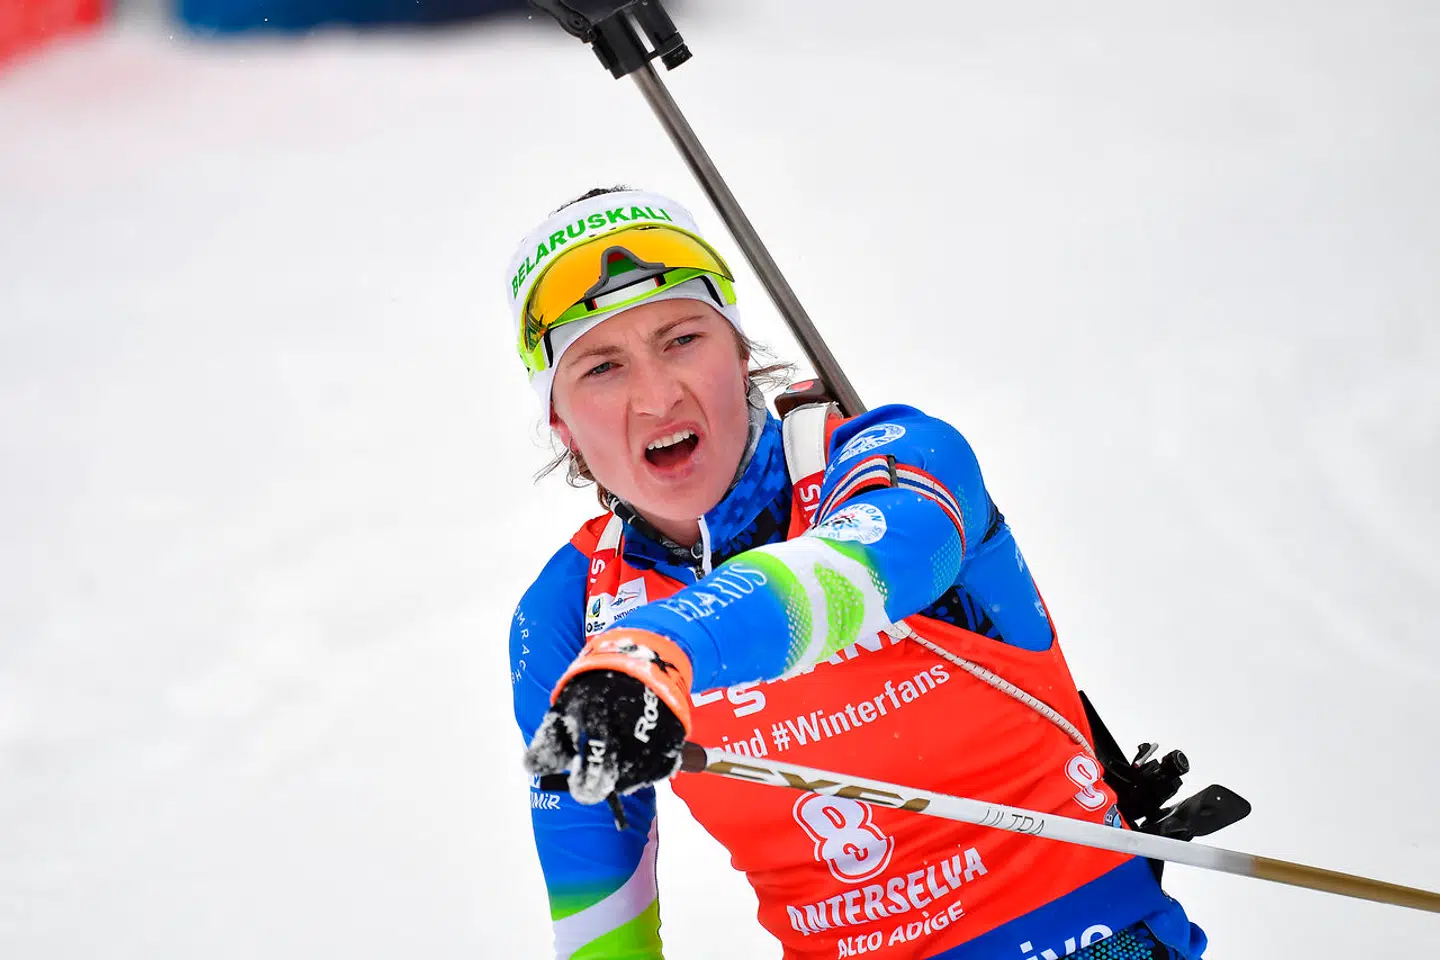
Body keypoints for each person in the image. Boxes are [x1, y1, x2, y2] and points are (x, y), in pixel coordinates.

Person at [507, 186, 1208, 960]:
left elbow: (855, 568)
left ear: (740, 352)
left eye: (682, 340)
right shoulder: (571, 611)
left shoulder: (893, 459)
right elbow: (600, 919)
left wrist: (656, 651)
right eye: (603, 367)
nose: (657, 395)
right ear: (560, 420)